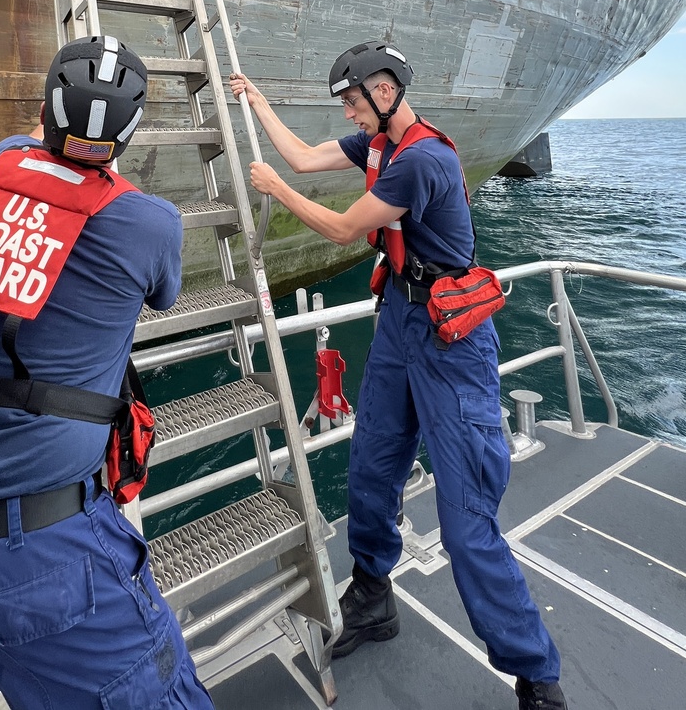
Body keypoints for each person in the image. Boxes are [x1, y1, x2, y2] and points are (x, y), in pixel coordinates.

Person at [0, 35, 214, 710]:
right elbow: (162, 293)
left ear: (46, 112)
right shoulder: (151, 224)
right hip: (38, 560)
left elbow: (33, 147)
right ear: (131, 130)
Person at [229, 41, 568, 710]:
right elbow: (301, 153)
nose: (351, 116)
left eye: (355, 102)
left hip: (451, 342)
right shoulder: (379, 145)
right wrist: (257, 100)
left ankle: (538, 675)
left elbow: (341, 228)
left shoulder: (421, 161)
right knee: (371, 465)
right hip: (400, 324)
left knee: (466, 518)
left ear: (384, 92)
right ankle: (373, 595)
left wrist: (275, 189)